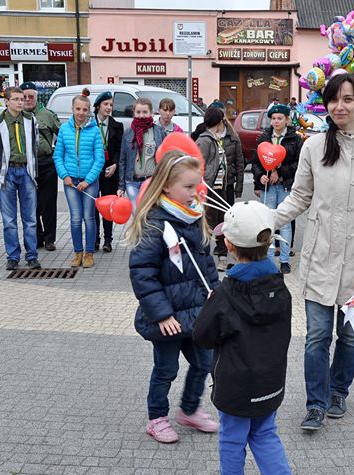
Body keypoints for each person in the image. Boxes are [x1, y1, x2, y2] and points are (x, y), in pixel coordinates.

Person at [274, 73, 354, 431]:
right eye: (333, 100)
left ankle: (338, 390)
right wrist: (267, 218)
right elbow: (299, 197)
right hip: (321, 254)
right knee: (316, 336)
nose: (339, 106)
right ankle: (315, 403)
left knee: (348, 334)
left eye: (347, 99)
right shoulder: (314, 146)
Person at [193, 201, 297, 475]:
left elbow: (202, 336)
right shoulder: (280, 287)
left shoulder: (225, 294)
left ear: (228, 244)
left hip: (236, 384)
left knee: (232, 437)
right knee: (265, 433)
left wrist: (210, 305)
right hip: (270, 381)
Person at [127, 150, 221, 443]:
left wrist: (214, 293)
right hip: (167, 318)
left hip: (195, 312)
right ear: (166, 185)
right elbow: (142, 273)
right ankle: (156, 418)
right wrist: (162, 313)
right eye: (189, 187)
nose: (195, 192)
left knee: (204, 362)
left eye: (197, 185)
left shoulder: (192, 215)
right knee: (166, 369)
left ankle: (189, 410)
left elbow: (205, 262)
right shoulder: (155, 224)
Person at [0, 86, 41, 271]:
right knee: (9, 219)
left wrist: (32, 169)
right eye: (16, 99)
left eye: (22, 99)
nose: (20, 102)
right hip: (7, 173)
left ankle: (32, 255)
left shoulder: (30, 119)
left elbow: (35, 144)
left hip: (26, 171)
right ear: (7, 101)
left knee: (30, 218)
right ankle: (13, 256)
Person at [54, 94, 105, 268]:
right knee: (76, 218)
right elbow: (58, 156)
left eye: (85, 109)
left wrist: (88, 180)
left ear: (89, 110)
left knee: (89, 217)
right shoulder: (64, 129)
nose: (81, 113)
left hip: (89, 182)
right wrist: (64, 175)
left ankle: (89, 253)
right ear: (72, 109)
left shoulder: (95, 130)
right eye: (78, 109)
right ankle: (77, 252)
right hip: (70, 181)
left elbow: (99, 159)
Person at [252, 103, 303, 274]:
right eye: (273, 119)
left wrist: (279, 172)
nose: (276, 122)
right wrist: (260, 177)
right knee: (268, 222)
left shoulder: (295, 139)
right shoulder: (264, 138)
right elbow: (256, 161)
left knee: (285, 223)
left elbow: (298, 164)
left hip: (285, 184)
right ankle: (268, 258)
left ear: (287, 120)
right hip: (268, 186)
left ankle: (285, 260)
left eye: (280, 119)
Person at [193, 106, 245, 271]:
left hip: (221, 188)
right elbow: (198, 165)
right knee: (207, 224)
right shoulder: (204, 140)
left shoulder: (220, 138)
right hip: (208, 189)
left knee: (222, 223)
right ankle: (204, 259)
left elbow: (236, 162)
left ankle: (222, 256)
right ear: (218, 121)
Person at [21, 82, 61, 252]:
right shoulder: (16, 115)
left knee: (48, 203)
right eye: (25, 97)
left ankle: (49, 239)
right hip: (25, 165)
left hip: (46, 163)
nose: (28, 99)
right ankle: (36, 238)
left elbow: (62, 135)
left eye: (31, 96)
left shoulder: (47, 115)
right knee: (30, 203)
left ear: (37, 97)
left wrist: (56, 154)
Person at [119, 98, 166, 209]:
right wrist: (121, 186)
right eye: (138, 112)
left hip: (151, 182)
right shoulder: (128, 133)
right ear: (134, 113)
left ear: (151, 113)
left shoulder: (159, 132)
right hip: (132, 182)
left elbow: (165, 159)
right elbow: (122, 161)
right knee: (137, 215)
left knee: (150, 214)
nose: (141, 115)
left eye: (145, 112)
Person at [93, 91, 124, 253]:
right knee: (93, 206)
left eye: (111, 105)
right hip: (92, 170)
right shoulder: (90, 124)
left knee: (107, 205)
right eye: (106, 104)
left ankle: (107, 240)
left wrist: (115, 165)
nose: (109, 108)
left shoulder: (117, 126)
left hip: (109, 170)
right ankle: (95, 239)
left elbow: (119, 149)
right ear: (98, 106)